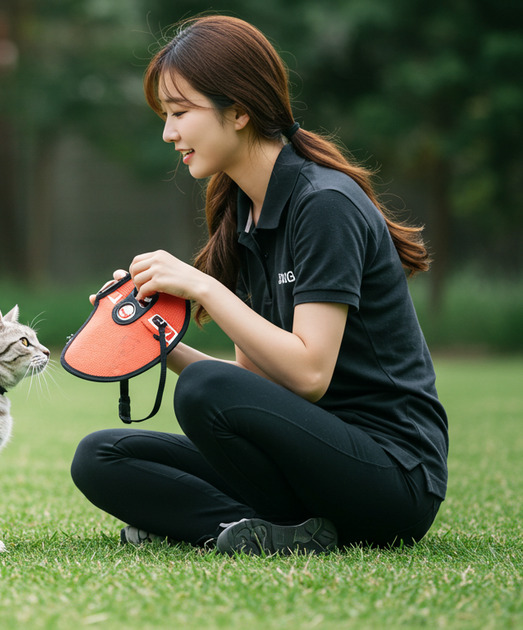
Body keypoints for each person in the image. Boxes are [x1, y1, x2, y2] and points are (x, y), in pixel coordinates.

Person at [69, 15, 447, 555]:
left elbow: (309, 373)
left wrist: (202, 287)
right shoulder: (247, 211)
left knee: (203, 393)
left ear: (240, 111)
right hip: (306, 461)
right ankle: (265, 530)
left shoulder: (324, 204)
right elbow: (255, 384)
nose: (168, 132)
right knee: (101, 456)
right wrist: (155, 336)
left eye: (180, 113)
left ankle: (229, 522)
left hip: (392, 478)